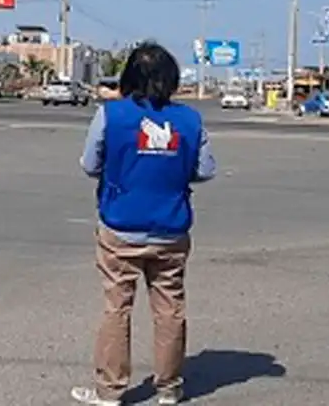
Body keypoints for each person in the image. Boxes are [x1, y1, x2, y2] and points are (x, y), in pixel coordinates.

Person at [71, 42, 216, 405]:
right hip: (171, 227)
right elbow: (205, 170)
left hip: (120, 224)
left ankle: (109, 390)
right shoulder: (190, 120)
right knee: (170, 308)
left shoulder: (111, 114)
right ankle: (169, 387)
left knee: (117, 307)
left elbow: (90, 164)